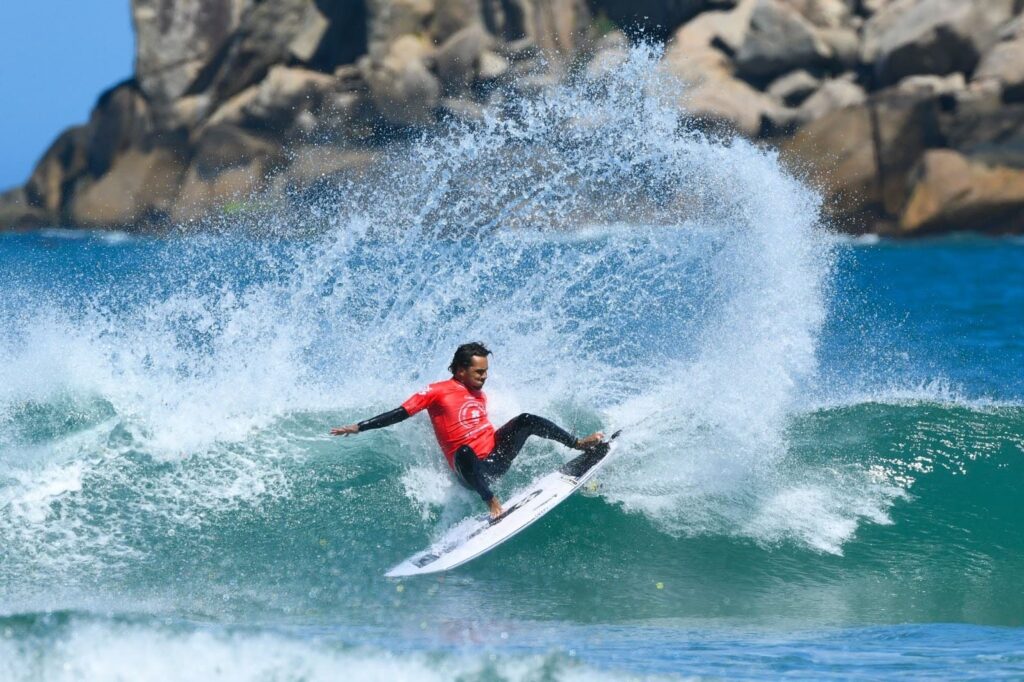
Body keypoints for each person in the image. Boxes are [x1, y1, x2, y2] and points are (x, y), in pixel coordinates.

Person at [330, 342, 604, 518]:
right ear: (460, 370)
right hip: (471, 471)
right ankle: (492, 502)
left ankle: (578, 443)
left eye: (485, 371)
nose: (484, 377)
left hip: (497, 459)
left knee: (525, 419)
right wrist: (359, 427)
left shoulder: (478, 394)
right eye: (479, 372)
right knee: (462, 450)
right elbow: (400, 413)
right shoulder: (436, 392)